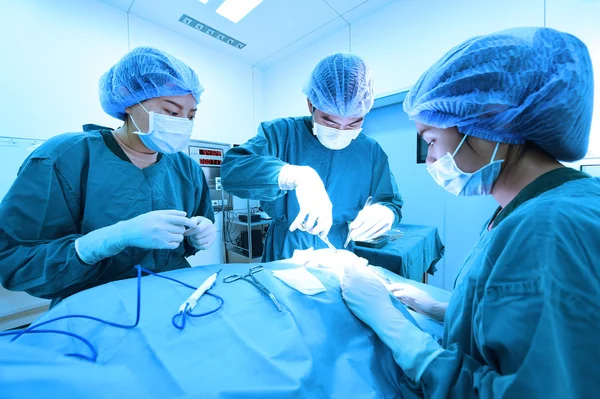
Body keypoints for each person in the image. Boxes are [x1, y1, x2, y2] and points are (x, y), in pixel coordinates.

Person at [341, 27, 599, 397]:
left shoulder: (548, 229)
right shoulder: (529, 209)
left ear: (488, 120)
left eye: (430, 140)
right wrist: (443, 307)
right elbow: (522, 319)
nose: (430, 158)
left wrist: (393, 326)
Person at [0, 47, 216, 307]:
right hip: (90, 308)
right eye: (171, 112)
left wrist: (195, 236)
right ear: (128, 99)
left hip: (171, 301)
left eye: (191, 116)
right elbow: (13, 258)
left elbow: (185, 243)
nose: (182, 123)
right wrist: (103, 241)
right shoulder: (65, 156)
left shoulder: (187, 169)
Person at [222, 53, 404, 261]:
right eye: (330, 121)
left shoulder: (370, 151)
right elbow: (232, 171)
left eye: (353, 123)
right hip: (285, 248)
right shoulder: (282, 133)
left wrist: (385, 213)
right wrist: (292, 175)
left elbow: (390, 201)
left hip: (338, 249)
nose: (341, 131)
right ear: (311, 105)